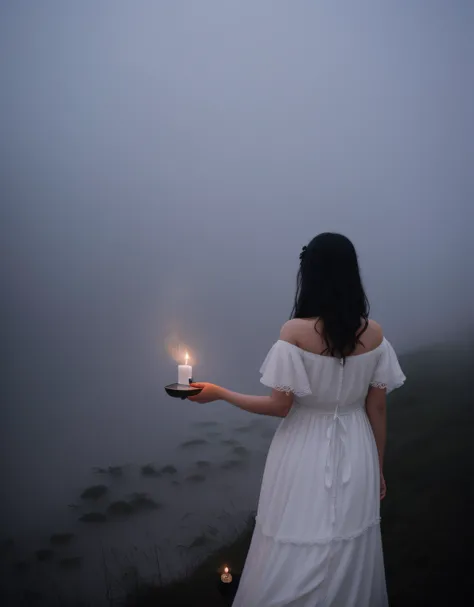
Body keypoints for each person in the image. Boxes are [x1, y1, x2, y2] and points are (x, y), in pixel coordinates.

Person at [189, 233, 406, 607]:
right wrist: (378, 466)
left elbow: (279, 406)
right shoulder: (375, 336)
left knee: (293, 540)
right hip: (357, 447)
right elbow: (378, 409)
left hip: (303, 448)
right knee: (348, 544)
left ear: (311, 275)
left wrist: (219, 392)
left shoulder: (295, 334)